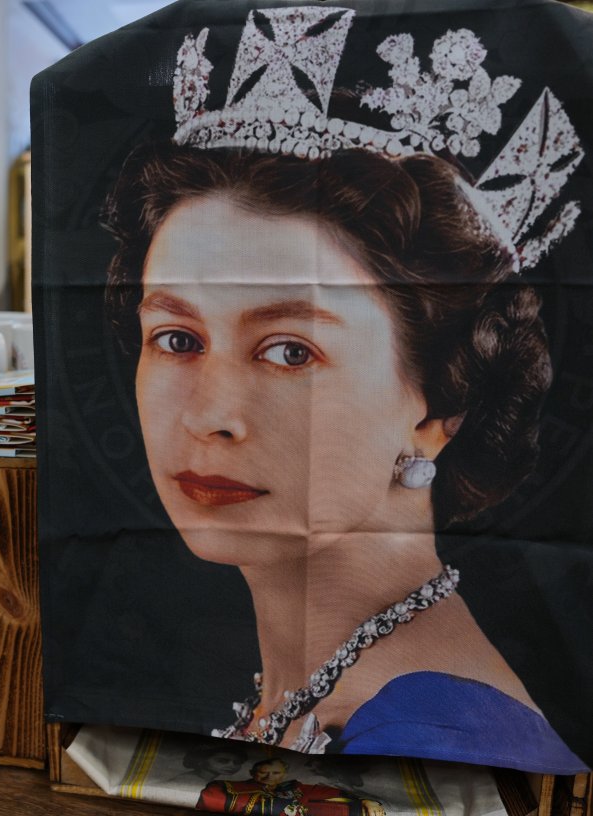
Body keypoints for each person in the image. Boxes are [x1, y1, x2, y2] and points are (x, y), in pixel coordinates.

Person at [99, 16, 587, 772]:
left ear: (441, 405)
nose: (209, 416)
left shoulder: (438, 734)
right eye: (177, 339)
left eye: (290, 352)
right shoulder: (319, 688)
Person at [197, 758, 384, 816]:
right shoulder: (226, 787)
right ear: (253, 772)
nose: (269, 777)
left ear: (283, 775)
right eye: (263, 772)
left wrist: (365, 801)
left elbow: (330, 793)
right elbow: (210, 799)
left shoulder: (296, 788)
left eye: (275, 773)